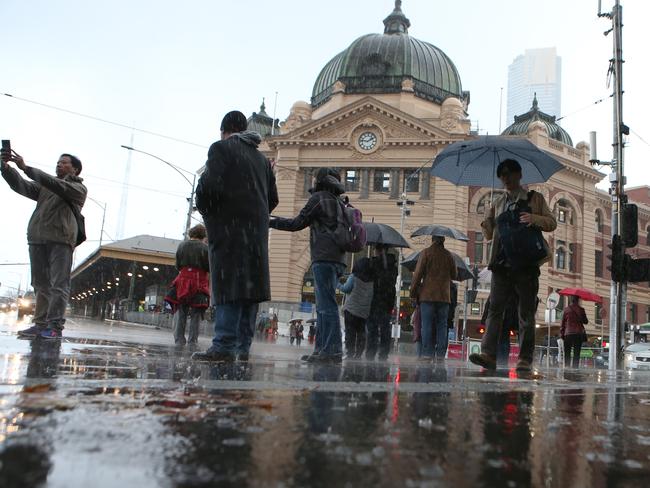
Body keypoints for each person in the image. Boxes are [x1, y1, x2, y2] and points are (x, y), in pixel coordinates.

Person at [192, 110, 279, 362]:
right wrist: (255, 216)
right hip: (256, 233)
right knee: (250, 288)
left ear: (224, 130)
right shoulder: (262, 160)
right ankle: (243, 345)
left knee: (228, 283)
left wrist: (211, 215)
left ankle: (224, 345)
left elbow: (209, 188)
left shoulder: (221, 148)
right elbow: (272, 199)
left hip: (229, 229)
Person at [469, 158, 557, 372]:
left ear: (519, 175)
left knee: (525, 313)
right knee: (495, 310)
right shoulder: (498, 203)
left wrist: (533, 218)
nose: (505, 178)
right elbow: (490, 235)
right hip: (501, 263)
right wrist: (487, 221)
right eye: (502, 175)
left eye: (509, 173)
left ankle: (524, 359)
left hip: (526, 263)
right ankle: (488, 354)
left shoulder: (534, 198)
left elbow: (551, 222)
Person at [1, 148, 87, 339]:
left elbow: (56, 184)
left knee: (58, 284)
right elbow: (21, 186)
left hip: (61, 240)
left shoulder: (78, 189)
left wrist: (26, 167)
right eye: (58, 161)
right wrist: (6, 167)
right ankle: (40, 324)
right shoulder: (45, 188)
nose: (59, 164)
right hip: (37, 238)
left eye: (64, 162)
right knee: (40, 284)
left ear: (75, 170)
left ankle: (55, 325)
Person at [270, 167, 347, 364]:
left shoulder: (319, 199)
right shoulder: (340, 202)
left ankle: (331, 351)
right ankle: (322, 350)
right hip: (338, 259)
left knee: (326, 307)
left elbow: (297, 223)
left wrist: (271, 222)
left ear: (320, 181)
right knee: (325, 305)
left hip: (323, 257)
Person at [409, 236, 457, 362]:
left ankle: (427, 353)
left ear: (432, 240)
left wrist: (413, 292)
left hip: (427, 295)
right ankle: (440, 354)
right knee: (442, 325)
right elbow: (454, 274)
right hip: (444, 296)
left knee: (427, 324)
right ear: (443, 241)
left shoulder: (426, 253)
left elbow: (418, 273)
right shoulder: (449, 256)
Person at [166, 224, 210, 347]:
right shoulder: (205, 248)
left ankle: (179, 339)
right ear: (203, 236)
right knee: (196, 313)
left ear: (191, 233)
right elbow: (209, 267)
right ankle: (193, 340)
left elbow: (178, 265)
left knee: (181, 310)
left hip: (183, 280)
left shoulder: (182, 246)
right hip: (199, 281)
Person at [366, 245, 398, 361]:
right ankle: (384, 353)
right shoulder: (393, 266)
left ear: (378, 251)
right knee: (385, 327)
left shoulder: (374, 263)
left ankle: (371, 352)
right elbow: (391, 282)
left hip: (374, 299)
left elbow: (371, 279)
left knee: (373, 328)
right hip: (387, 300)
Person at [338, 257, 374, 359]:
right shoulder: (372, 280)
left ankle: (350, 352)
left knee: (350, 332)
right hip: (364, 311)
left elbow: (346, 289)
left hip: (351, 310)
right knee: (361, 332)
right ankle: (358, 353)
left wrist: (337, 284)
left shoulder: (353, 277)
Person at [561, 295, 588, 368]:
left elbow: (563, 323)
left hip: (568, 333)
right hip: (578, 333)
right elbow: (586, 321)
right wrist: (581, 318)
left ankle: (567, 367)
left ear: (571, 300)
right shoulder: (581, 309)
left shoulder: (566, 310)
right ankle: (575, 367)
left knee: (567, 352)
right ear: (578, 300)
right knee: (576, 352)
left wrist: (562, 334)